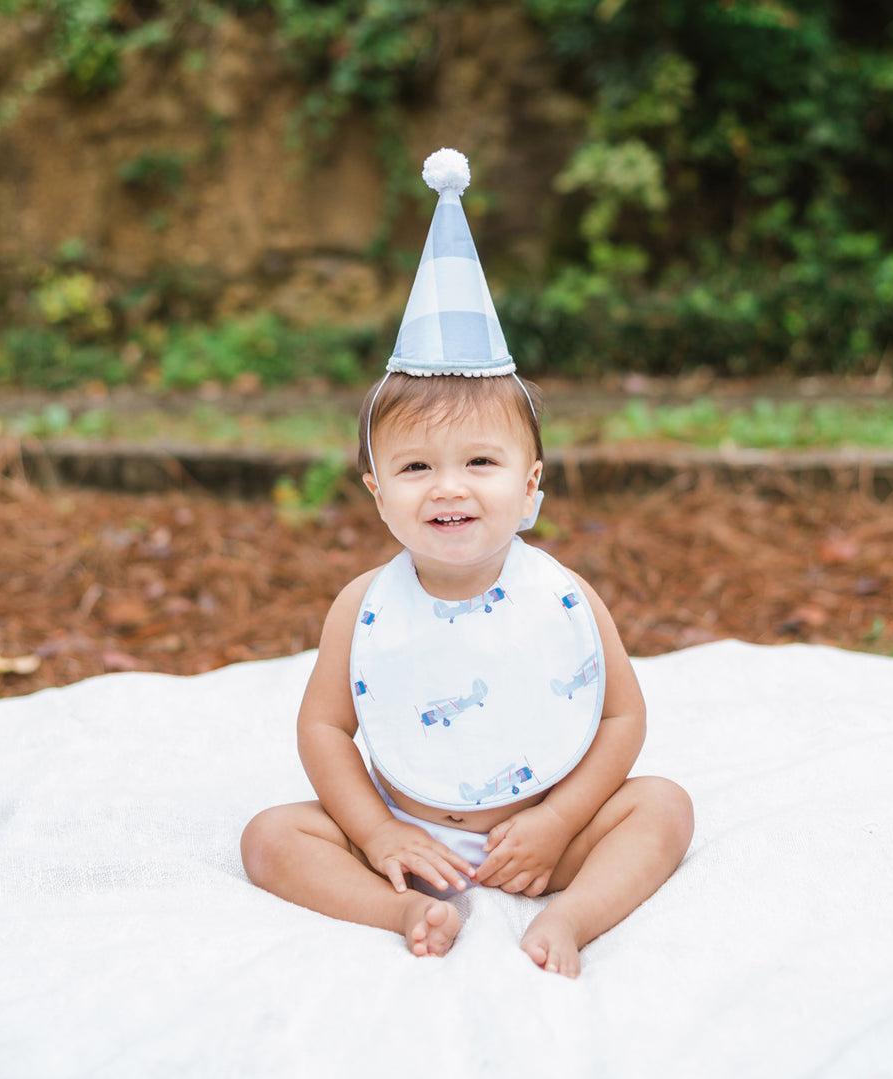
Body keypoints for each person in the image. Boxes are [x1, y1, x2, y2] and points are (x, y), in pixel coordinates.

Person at [241, 149, 693, 977]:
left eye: (479, 463)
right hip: (410, 835)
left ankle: (574, 916)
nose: (448, 486)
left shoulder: (564, 595)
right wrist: (377, 833)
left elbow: (622, 719)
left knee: (664, 806)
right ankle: (402, 909)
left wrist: (560, 822)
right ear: (378, 493)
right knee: (271, 836)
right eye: (416, 467)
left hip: (546, 837)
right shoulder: (361, 606)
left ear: (529, 489)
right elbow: (324, 727)